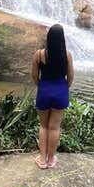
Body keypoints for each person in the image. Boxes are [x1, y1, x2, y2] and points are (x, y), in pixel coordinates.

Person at [31, 23, 73, 169]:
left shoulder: (39, 54)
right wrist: (62, 88)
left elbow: (34, 76)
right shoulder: (67, 55)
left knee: (43, 126)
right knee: (54, 128)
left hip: (44, 91)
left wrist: (42, 86)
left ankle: (42, 160)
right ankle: (50, 160)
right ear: (62, 39)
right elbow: (71, 77)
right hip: (60, 91)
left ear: (48, 38)